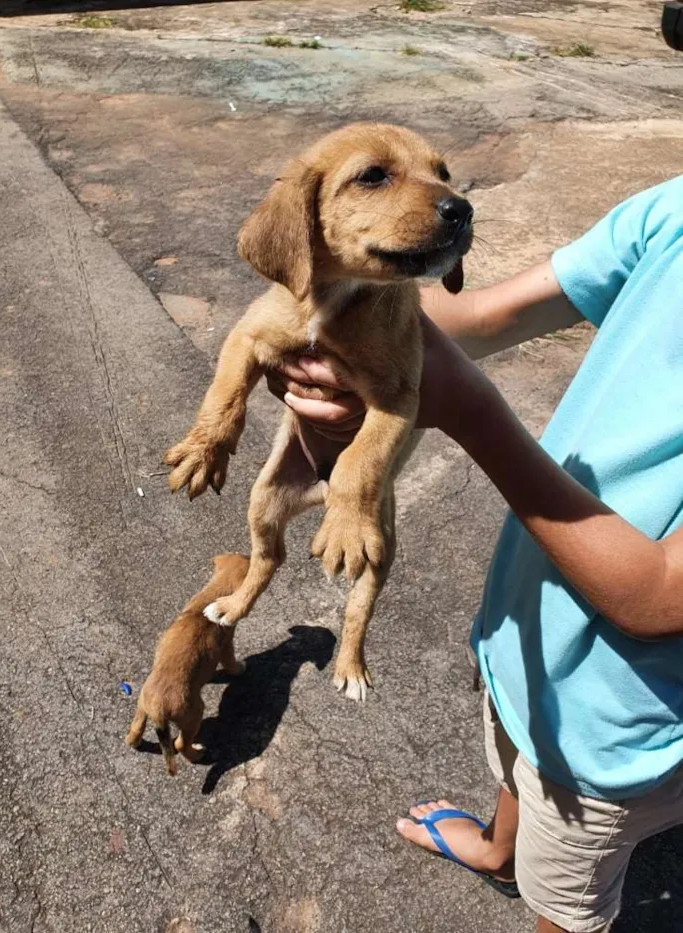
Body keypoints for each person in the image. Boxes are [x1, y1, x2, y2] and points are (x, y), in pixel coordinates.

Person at [266, 175, 683, 933]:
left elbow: (657, 596)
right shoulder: (675, 209)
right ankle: (497, 848)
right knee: (515, 740)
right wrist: (329, 306)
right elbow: (484, 315)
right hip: (532, 615)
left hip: (623, 716)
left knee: (565, 887)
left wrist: (467, 408)